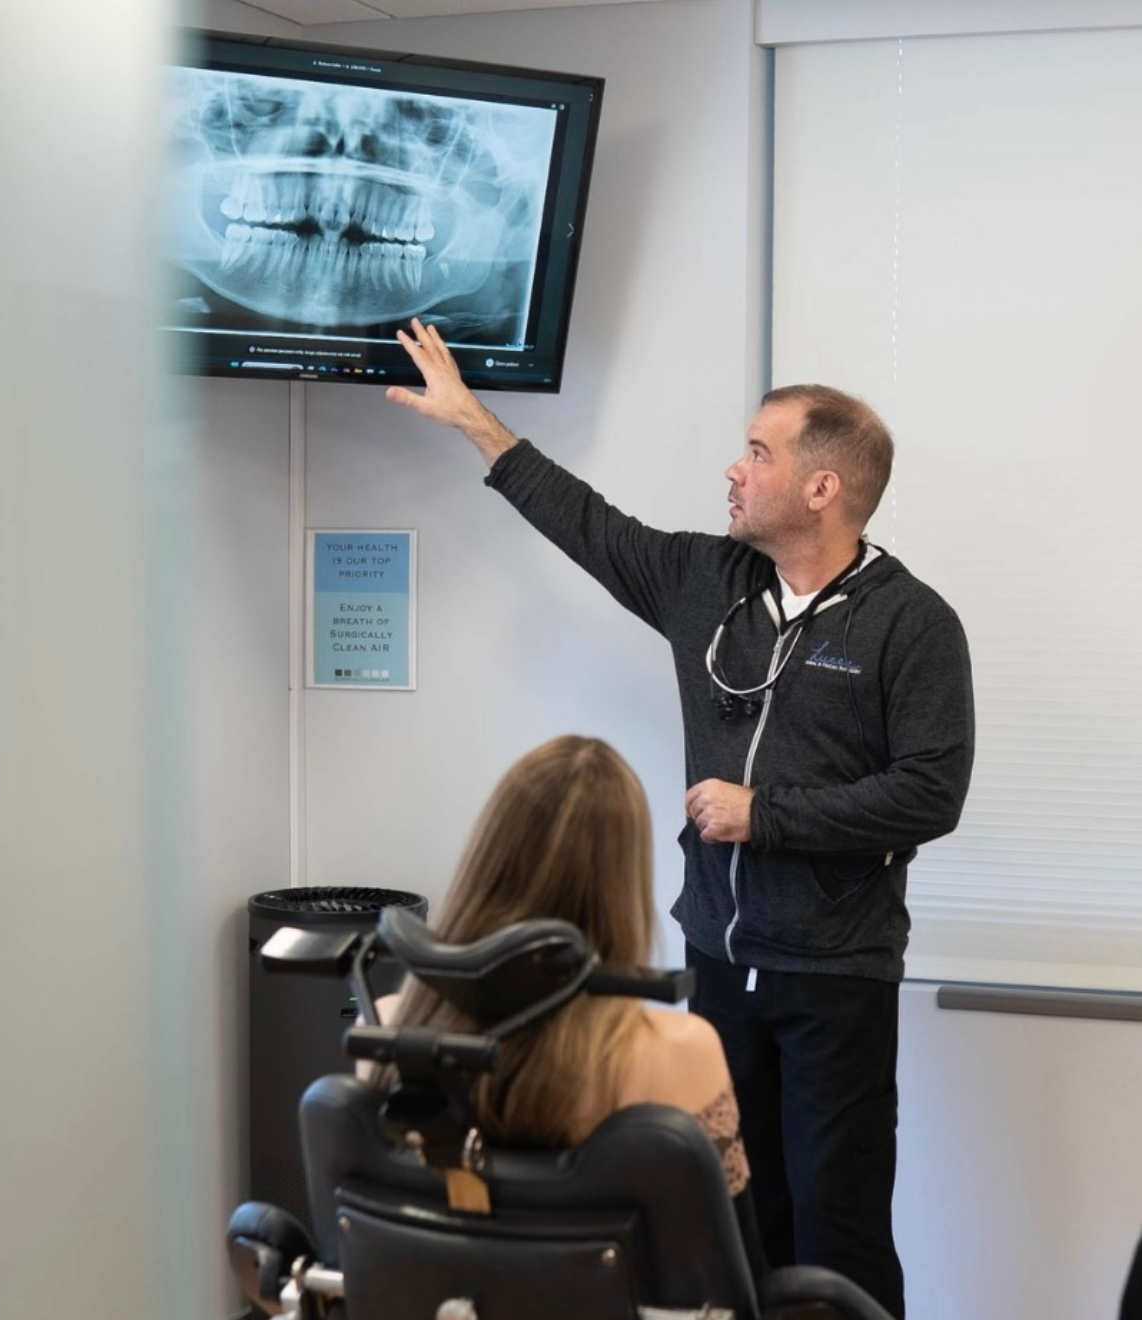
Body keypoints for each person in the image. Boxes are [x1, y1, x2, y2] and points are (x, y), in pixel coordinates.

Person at [385, 318, 976, 1319]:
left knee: (837, 1238)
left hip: (835, 977)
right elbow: (588, 523)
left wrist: (768, 815)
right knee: (731, 1223)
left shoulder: (912, 624)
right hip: (719, 965)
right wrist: (476, 425)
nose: (733, 469)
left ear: (823, 487)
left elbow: (931, 793)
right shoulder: (710, 584)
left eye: (757, 452)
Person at [367, 734, 766, 1275]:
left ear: (488, 858)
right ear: (622, 886)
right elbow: (731, 1270)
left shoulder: (391, 1031)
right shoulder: (676, 1053)